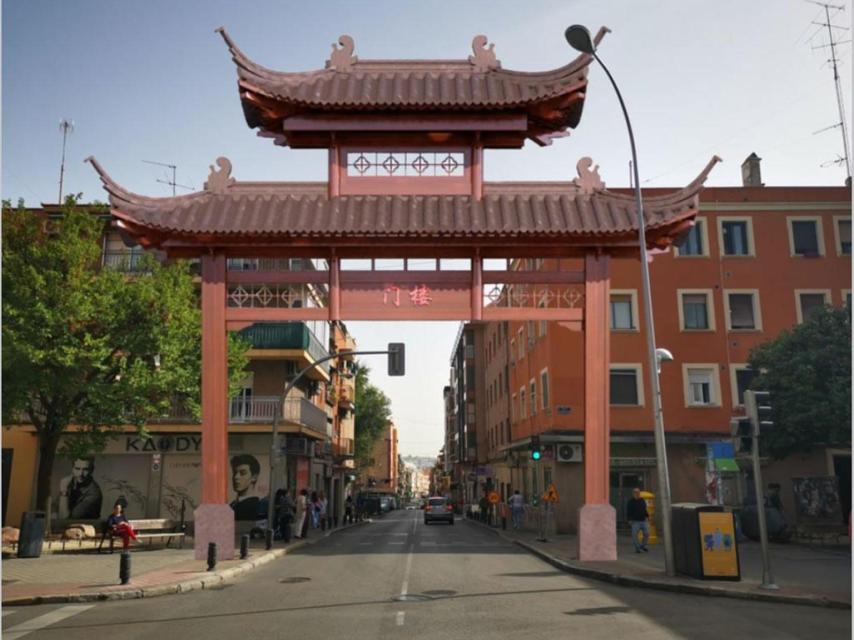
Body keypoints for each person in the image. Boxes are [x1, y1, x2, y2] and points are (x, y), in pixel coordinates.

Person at [229, 454, 261, 520]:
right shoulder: (234, 504)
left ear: (254, 477)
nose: (236, 477)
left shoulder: (253, 507)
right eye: (234, 473)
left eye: (242, 473)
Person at [627, 488, 650, 553]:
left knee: (647, 534)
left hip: (643, 520)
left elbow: (644, 509)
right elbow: (628, 511)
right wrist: (629, 520)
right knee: (634, 535)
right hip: (635, 521)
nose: (637, 493)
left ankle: (642, 546)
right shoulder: (630, 502)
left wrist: (647, 516)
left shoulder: (642, 500)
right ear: (633, 493)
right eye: (635, 492)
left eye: (638, 492)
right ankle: (637, 548)